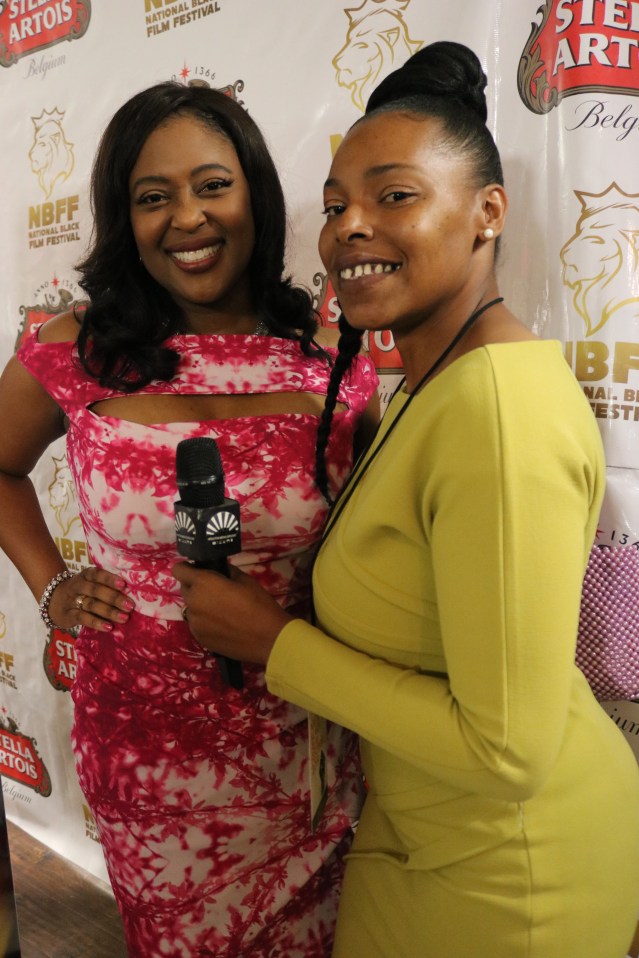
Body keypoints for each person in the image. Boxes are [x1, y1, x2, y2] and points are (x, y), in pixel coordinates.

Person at [172, 42, 639, 958]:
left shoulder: (494, 411)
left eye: (394, 196)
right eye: (335, 205)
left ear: (487, 213)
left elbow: (506, 753)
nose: (350, 227)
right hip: (424, 839)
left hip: (510, 878)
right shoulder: (435, 387)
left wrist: (273, 645)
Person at [0, 81, 379, 957]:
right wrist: (52, 586)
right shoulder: (77, 349)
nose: (187, 218)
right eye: (152, 197)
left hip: (306, 741)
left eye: (212, 186)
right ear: (123, 218)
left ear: (254, 194)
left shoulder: (330, 361)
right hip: (147, 760)